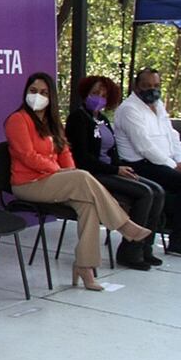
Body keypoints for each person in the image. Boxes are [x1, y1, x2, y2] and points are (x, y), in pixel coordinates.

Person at [4, 72, 151, 291]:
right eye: (33, 91)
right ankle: (123, 224)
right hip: (29, 184)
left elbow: (65, 153)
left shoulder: (53, 122)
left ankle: (85, 267)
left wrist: (68, 173)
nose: (37, 96)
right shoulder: (17, 120)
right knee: (81, 177)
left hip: (53, 180)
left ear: (51, 96)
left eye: (44, 92)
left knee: (88, 205)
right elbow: (27, 156)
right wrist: (62, 172)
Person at [65, 75, 165, 270]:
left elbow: (112, 151)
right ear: (86, 93)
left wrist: (121, 168)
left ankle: (145, 247)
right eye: (95, 93)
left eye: (104, 94)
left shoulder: (101, 119)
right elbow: (83, 158)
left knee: (157, 191)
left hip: (111, 170)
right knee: (144, 194)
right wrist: (115, 169)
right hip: (92, 175)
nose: (100, 97)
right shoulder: (78, 118)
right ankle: (130, 251)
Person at [114, 68, 181, 258]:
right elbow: (144, 147)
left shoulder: (157, 105)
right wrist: (174, 166)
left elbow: (172, 135)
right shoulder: (129, 109)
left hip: (163, 162)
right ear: (136, 86)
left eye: (156, 86)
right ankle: (178, 240)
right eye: (147, 86)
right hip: (140, 165)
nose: (152, 90)